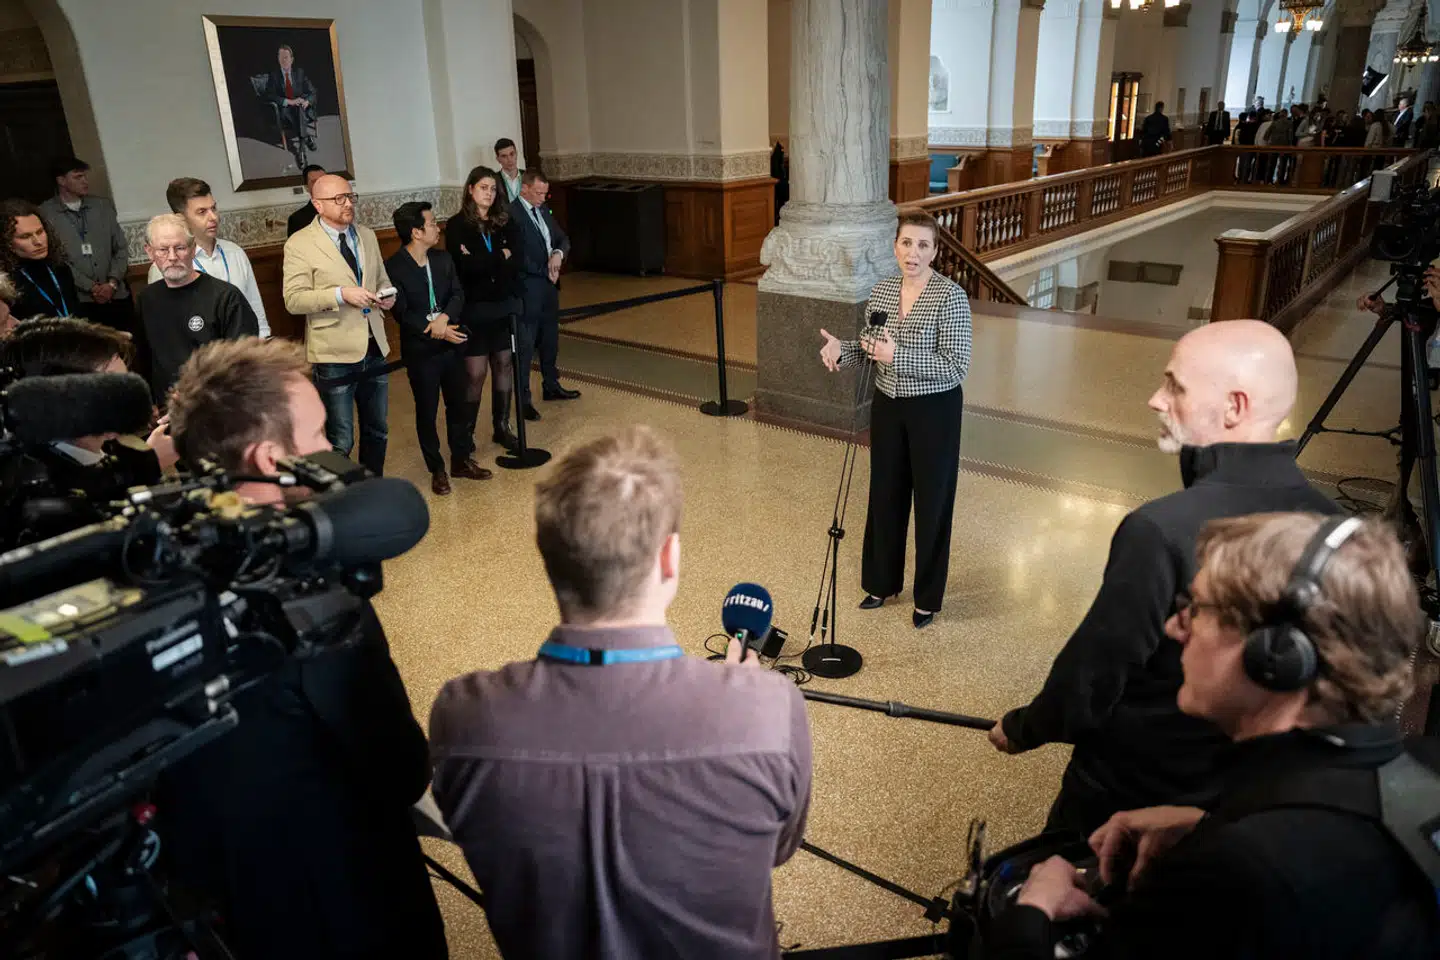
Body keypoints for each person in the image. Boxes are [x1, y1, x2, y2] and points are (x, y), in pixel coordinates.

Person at [430, 426, 812, 960]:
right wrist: (738, 693)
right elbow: (778, 849)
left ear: (548, 559)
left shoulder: (463, 715)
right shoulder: (767, 709)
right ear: (669, 559)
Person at [986, 513, 1440, 960]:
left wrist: (1030, 916)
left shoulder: (1234, 875)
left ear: (1277, 657)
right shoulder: (1423, 766)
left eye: (1197, 609)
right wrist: (1208, 824)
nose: (1173, 627)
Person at [157, 337, 447, 960]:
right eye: (316, 437)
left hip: (226, 912)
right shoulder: (314, 605)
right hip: (346, 902)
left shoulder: (156, 562)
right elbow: (398, 767)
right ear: (269, 459)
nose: (331, 452)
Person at [987, 320, 1337, 836]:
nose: (1155, 399)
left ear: (1234, 407)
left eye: (1175, 385)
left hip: (1130, 789)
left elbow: (1098, 667)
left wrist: (1026, 727)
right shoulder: (1338, 529)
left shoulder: (1161, 529)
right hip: (1251, 801)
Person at [818, 210, 972, 628]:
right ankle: (881, 583)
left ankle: (927, 598)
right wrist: (843, 350)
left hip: (934, 411)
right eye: (907, 243)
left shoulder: (950, 297)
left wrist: (897, 355)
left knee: (931, 502)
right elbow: (872, 346)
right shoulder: (883, 291)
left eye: (923, 245)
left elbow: (956, 366)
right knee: (886, 493)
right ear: (895, 247)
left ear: (936, 252)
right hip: (888, 404)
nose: (913, 253)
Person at [282, 174, 396, 476]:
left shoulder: (367, 236)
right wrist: (340, 295)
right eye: (339, 199)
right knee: (340, 438)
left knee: (378, 429)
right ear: (318, 205)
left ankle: (372, 487)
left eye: (350, 197)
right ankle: (342, 498)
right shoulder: (300, 243)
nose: (348, 204)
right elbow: (293, 300)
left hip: (374, 344)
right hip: (334, 353)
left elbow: (381, 278)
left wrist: (387, 296)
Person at [384, 200, 492, 493]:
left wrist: (444, 319)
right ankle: (437, 469)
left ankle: (460, 460)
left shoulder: (442, 259)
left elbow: (458, 293)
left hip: (452, 344)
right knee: (427, 410)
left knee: (458, 404)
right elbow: (402, 312)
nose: (437, 227)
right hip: (422, 352)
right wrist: (436, 331)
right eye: (431, 223)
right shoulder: (394, 267)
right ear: (416, 232)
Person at [135, 214, 259, 406]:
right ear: (150, 252)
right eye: (163, 250)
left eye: (180, 248)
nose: (172, 257)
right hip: (168, 410)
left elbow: (243, 362)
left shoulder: (225, 297)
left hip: (218, 406)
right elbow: (143, 358)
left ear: (193, 250)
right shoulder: (146, 299)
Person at [446, 165, 521, 452]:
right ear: (470, 190)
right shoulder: (457, 226)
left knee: (503, 363)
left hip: (502, 304)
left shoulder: (504, 221)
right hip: (473, 308)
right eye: (483, 188)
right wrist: (498, 255)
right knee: (475, 372)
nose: (489, 194)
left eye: (492, 189)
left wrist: (487, 258)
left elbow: (516, 260)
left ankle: (502, 426)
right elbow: (465, 268)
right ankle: (466, 432)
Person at [150, 178, 270, 338]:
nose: (213, 217)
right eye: (202, 212)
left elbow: (256, 310)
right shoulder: (169, 265)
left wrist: (264, 341)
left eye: (214, 208)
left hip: (243, 353)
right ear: (181, 218)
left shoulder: (234, 252)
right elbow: (165, 329)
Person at [511, 168, 579, 419]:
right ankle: (524, 400)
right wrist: (544, 269)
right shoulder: (511, 214)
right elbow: (517, 257)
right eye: (538, 193)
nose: (542, 198)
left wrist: (558, 256)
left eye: (545, 193)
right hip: (528, 289)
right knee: (526, 346)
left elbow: (562, 239)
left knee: (550, 339)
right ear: (525, 188)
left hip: (550, 286)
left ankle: (551, 384)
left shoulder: (543, 210)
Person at [38, 156, 133, 331]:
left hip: (117, 295)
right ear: (61, 180)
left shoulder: (102, 206)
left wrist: (111, 283)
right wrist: (92, 288)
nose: (85, 181)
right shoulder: (45, 213)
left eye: (85, 176)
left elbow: (120, 248)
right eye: (78, 177)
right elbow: (57, 259)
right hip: (81, 300)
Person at [1, 199, 80, 322]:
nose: (38, 241)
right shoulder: (4, 283)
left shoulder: (59, 267)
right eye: (25, 236)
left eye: (40, 232)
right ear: (6, 242)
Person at [266, 43, 318, 167]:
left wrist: (307, 101)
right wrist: (289, 102)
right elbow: (269, 95)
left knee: (299, 109)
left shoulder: (299, 73)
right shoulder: (274, 76)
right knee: (296, 111)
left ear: (292, 59)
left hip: (301, 108)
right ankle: (306, 139)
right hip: (286, 111)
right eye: (280, 57)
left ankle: (301, 150)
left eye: (286, 57)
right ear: (278, 59)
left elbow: (313, 92)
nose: (283, 60)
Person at [287, 164, 326, 237]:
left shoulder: (340, 209)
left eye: (323, 180)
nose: (320, 184)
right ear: (306, 187)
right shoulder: (297, 219)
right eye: (314, 181)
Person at [495, 137, 524, 203]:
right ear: (498, 159)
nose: (509, 159)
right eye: (504, 156)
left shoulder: (528, 176)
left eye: (512, 154)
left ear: (516, 154)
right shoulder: (494, 180)